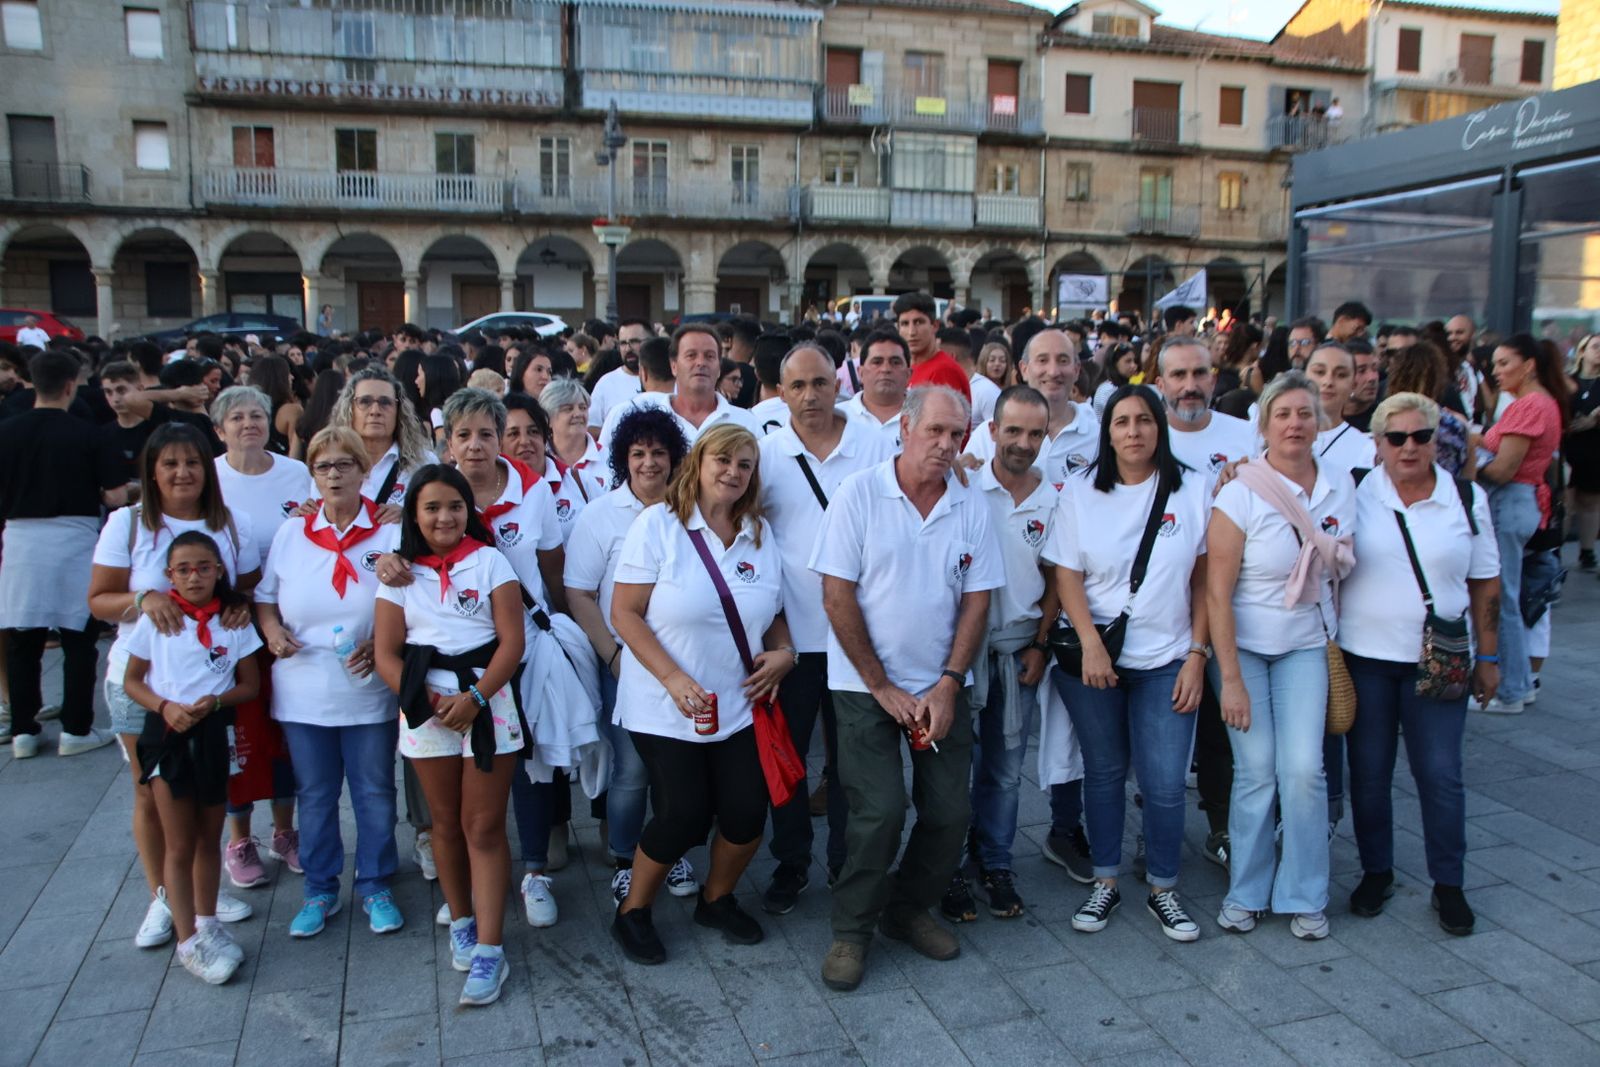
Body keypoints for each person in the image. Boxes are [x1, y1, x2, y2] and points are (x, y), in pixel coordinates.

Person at [810, 386, 1003, 992]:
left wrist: (948, 684)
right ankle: (852, 930)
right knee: (880, 812)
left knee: (949, 811)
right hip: (864, 685)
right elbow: (837, 596)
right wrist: (881, 685)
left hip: (940, 685)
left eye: (958, 435)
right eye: (936, 432)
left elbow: (977, 602)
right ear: (906, 430)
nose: (947, 445)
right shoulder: (860, 493)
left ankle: (907, 908)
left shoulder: (969, 506)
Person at [608, 424, 793, 965]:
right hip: (664, 706)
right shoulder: (659, 525)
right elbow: (624, 612)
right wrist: (670, 676)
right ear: (699, 461)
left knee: (744, 814)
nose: (733, 472)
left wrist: (785, 654)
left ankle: (716, 900)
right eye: (723, 459)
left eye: (744, 464)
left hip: (736, 705)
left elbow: (774, 613)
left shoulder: (759, 531)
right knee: (683, 814)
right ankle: (633, 912)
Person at [1046, 385, 1211, 942]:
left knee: (1165, 782)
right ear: (1107, 430)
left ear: (1160, 427)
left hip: (1168, 656)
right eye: (1122, 421)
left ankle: (1164, 888)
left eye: (1144, 420)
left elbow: (1205, 580)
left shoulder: (1192, 487)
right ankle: (1106, 881)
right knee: (1105, 771)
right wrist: (1090, 643)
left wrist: (1197, 654)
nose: (1134, 431)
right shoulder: (1080, 491)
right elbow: (1065, 573)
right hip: (1095, 658)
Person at [88, 422, 261, 949]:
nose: (183, 473)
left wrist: (235, 607)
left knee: (205, 789)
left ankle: (198, 894)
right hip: (142, 677)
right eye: (170, 464)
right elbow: (98, 598)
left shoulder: (230, 523)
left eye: (192, 462)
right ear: (152, 471)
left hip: (208, 682)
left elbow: (245, 589)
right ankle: (165, 895)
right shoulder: (129, 524)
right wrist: (144, 600)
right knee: (151, 792)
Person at [1340, 392, 1500, 937]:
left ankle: (1448, 884)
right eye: (1397, 437)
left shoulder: (1465, 496)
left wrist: (1492, 655)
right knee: (1368, 774)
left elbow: (1486, 582)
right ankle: (1376, 871)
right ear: (1378, 442)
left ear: (1437, 440)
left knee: (1440, 774)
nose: (1409, 447)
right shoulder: (1354, 491)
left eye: (1421, 436)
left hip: (1441, 660)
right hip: (1367, 659)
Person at [1207, 371, 1355, 941]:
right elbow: (1216, 592)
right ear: (1264, 424)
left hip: (1306, 645)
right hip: (1243, 648)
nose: (1295, 423)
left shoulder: (1341, 484)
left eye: (1305, 413)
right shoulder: (1241, 490)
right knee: (1255, 772)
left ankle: (1305, 893)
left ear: (1319, 421)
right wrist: (1232, 679)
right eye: (1284, 414)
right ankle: (1246, 892)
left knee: (1304, 772)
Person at [373, 465, 526, 1006]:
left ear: (469, 511)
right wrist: (430, 702)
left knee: (483, 825)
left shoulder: (490, 563)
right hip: (427, 710)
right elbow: (387, 654)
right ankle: (460, 918)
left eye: (455, 506)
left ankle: (490, 948)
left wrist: (478, 697)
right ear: (414, 513)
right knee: (444, 823)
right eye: (432, 507)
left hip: (488, 702)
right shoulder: (398, 575)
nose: (444, 517)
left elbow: (512, 642)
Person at [757, 344, 897, 914]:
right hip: (790, 643)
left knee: (851, 766)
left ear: (839, 384)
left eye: (820, 383)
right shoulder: (765, 454)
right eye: (798, 386)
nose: (810, 395)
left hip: (857, 639)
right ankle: (791, 863)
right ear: (781, 391)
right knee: (788, 765)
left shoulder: (874, 445)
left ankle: (846, 864)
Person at [256, 426, 404, 939]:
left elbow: (413, 599)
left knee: (374, 791)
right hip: (303, 688)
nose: (335, 474)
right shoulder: (292, 532)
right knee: (315, 795)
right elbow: (265, 596)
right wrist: (272, 630)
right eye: (324, 466)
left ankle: (376, 883)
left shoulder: (389, 531)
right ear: (312, 474)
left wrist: (382, 642)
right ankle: (320, 889)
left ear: (365, 471)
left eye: (346, 464)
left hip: (368, 686)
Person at [121, 531, 263, 984]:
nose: (194, 576)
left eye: (204, 567)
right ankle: (187, 942)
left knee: (209, 836)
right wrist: (166, 706)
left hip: (213, 733)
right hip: (167, 734)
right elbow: (132, 680)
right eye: (183, 569)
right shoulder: (157, 619)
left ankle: (207, 923)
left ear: (219, 570)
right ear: (169, 575)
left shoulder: (233, 621)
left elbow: (250, 684)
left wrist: (216, 703)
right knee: (179, 843)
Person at [565, 408, 692, 903]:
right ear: (622, 459)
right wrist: (613, 657)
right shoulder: (600, 516)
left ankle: (669, 850)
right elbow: (578, 593)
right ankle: (624, 857)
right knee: (633, 768)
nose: (649, 463)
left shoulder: (693, 510)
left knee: (674, 766)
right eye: (637, 453)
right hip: (626, 662)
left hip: (683, 662)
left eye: (659, 452)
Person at [945, 385, 1058, 922]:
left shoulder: (1053, 496)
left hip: (1018, 650)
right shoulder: (964, 483)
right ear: (991, 431)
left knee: (1007, 769)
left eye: (1035, 433)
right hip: (962, 652)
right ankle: (944, 866)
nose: (1023, 442)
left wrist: (1041, 644)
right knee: (952, 767)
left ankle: (994, 861)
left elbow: (1059, 577)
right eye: (1012, 430)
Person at [1150, 338, 1256, 866]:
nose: (1189, 384)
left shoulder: (1246, 436)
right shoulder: (1146, 434)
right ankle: (1156, 834)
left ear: (1215, 379)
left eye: (1199, 373)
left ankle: (1221, 826)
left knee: (1220, 721)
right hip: (1162, 608)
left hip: (1232, 602)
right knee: (1161, 731)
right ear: (1160, 382)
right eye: (1178, 375)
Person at [211, 385, 312, 884]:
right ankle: (238, 839)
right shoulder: (209, 478)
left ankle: (284, 832)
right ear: (220, 429)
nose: (249, 424)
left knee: (283, 732)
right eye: (237, 418)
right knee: (241, 732)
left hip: (288, 621)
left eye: (257, 415)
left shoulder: (296, 473)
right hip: (229, 624)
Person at [0, 348, 122, 755]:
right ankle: (75, 728)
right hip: (74, 538)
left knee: (22, 639)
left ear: (33, 382)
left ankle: (23, 731)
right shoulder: (89, 434)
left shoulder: (7, 432)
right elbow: (115, 494)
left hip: (20, 541)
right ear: (71, 386)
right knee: (78, 638)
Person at [1475, 334, 1566, 713]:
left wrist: (1470, 469)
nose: (1496, 371)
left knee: (1504, 598)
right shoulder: (1538, 401)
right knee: (1506, 595)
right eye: (1494, 364)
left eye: (1504, 363)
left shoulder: (1530, 404)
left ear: (1528, 364)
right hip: (1522, 502)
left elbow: (1504, 468)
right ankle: (1520, 685)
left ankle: (1510, 691)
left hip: (1511, 503)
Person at [967, 328, 1100, 487]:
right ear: (1024, 369)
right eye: (1042, 360)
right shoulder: (987, 434)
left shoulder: (1098, 437)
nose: (1053, 372)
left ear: (1076, 370)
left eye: (1063, 360)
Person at [598, 325, 760, 452]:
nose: (700, 363)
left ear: (719, 367)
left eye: (709, 356)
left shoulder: (746, 423)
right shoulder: (646, 420)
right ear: (674, 366)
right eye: (691, 355)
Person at [331, 366, 437, 510]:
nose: (375, 411)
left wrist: (407, 517)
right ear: (350, 408)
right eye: (365, 401)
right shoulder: (330, 464)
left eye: (385, 402)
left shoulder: (424, 463)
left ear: (399, 411)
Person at [1387, 342, 1474, 478]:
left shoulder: (1388, 421)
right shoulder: (1456, 424)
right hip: (1449, 495)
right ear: (1438, 376)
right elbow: (1469, 478)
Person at [1304, 342, 1376, 472]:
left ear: (1353, 384)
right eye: (1320, 372)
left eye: (1341, 375)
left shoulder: (1366, 449)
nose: (1328, 382)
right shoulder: (1275, 435)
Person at [1563, 334, 1600, 569]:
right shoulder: (1567, 381)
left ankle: (1587, 551)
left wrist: (1594, 421)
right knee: (1566, 502)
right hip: (1568, 446)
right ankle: (1555, 549)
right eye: (1595, 347)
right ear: (1582, 351)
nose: (1599, 352)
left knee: (1591, 501)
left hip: (1595, 448)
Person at [539, 379, 609, 503]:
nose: (578, 414)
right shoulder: (539, 461)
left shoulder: (610, 459)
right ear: (548, 418)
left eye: (582, 408)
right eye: (568, 409)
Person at [838, 329, 910, 450]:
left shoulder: (927, 416)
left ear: (909, 374)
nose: (886, 369)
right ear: (860, 373)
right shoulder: (838, 418)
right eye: (877, 362)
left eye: (895, 362)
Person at [897, 292, 970, 404]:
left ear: (935, 326)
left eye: (918, 322)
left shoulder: (943, 371)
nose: (911, 332)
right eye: (905, 324)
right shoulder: (909, 367)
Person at [589, 319, 650, 429]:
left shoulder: (667, 379)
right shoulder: (606, 383)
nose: (628, 348)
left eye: (634, 341)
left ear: (650, 342)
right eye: (622, 343)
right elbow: (591, 427)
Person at [249, 354, 304, 457]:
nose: (292, 377)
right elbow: (295, 453)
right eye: (288, 373)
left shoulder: (247, 410)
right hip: (284, 468)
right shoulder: (292, 411)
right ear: (280, 378)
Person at [1342, 342, 1381, 433]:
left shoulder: (1386, 419)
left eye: (1375, 369)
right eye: (1361, 371)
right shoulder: (1324, 421)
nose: (1372, 378)